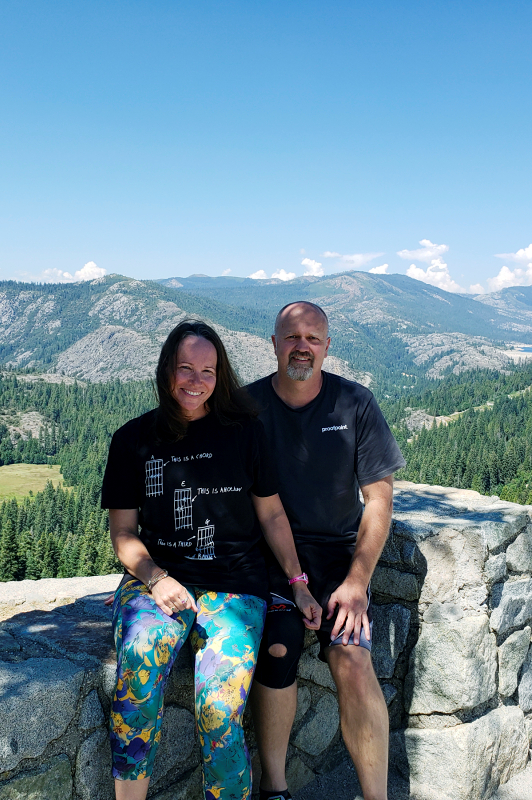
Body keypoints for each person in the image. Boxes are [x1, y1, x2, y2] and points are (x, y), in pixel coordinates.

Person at [101, 320, 321, 800]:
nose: (196, 381)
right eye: (185, 369)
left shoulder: (246, 433)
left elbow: (271, 514)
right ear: (166, 371)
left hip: (236, 588)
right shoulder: (133, 440)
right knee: (136, 680)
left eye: (207, 370)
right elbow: (122, 534)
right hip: (155, 582)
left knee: (220, 711)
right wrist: (156, 579)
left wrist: (298, 582)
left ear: (220, 376)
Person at [246, 301, 406, 800]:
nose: (302, 347)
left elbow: (379, 500)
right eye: (292, 337)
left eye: (313, 338)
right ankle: (275, 788)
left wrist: (357, 582)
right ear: (273, 344)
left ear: (327, 346)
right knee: (277, 647)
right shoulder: (246, 408)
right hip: (270, 561)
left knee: (353, 658)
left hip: (340, 559)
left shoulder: (355, 404)